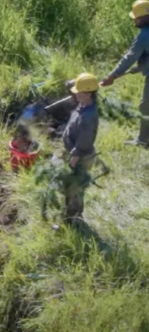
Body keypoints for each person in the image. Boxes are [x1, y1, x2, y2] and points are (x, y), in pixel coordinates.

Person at [100, 0, 149, 147]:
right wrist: (138, 68)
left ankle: (142, 140)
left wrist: (112, 76)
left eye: (136, 17)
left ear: (144, 17)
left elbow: (130, 57)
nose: (134, 20)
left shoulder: (143, 36)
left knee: (146, 106)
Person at [61, 73, 100, 223]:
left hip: (80, 157)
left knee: (74, 189)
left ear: (88, 93)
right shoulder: (84, 104)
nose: (75, 94)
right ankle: (70, 215)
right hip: (72, 152)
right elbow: (75, 86)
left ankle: (72, 220)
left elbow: (84, 142)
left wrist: (73, 160)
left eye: (79, 92)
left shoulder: (89, 117)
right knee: (69, 187)